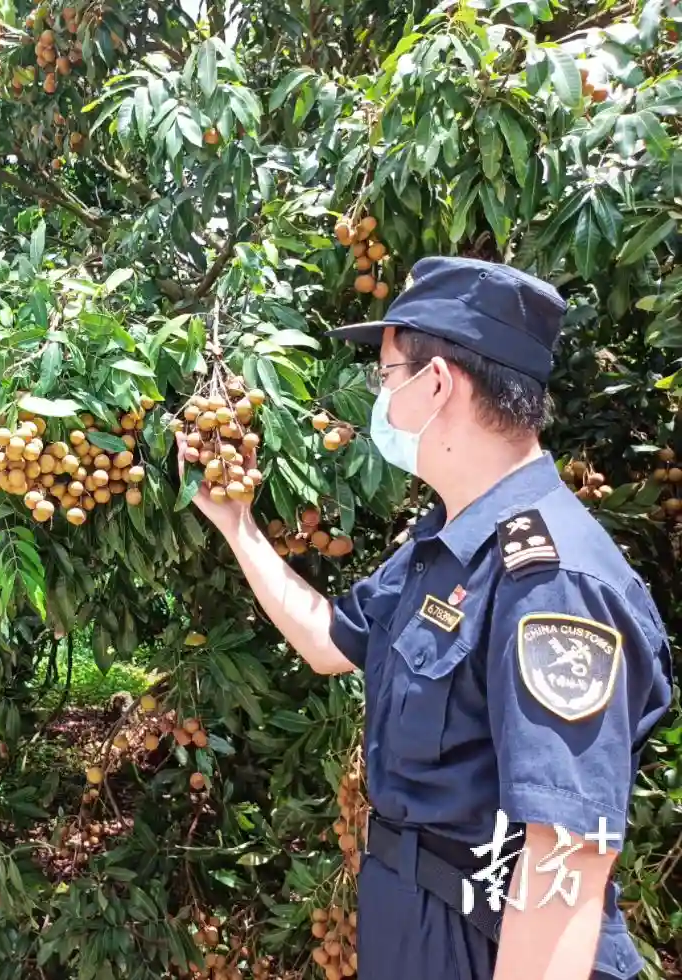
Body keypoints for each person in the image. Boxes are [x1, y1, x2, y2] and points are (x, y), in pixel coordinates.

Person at [179, 257, 673, 980]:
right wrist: (238, 526)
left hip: (485, 943)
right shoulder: (445, 544)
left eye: (386, 377)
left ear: (437, 382)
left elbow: (567, 856)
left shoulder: (553, 581)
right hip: (416, 920)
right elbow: (327, 641)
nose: (381, 400)